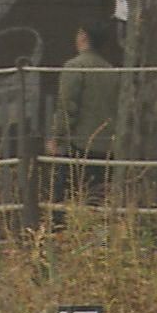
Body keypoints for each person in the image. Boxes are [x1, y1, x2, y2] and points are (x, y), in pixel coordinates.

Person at [51, 19, 122, 199]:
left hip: (80, 143)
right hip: (107, 145)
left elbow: (67, 106)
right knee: (98, 196)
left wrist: (57, 137)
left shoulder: (74, 66)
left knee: (64, 195)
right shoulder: (110, 70)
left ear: (83, 36)